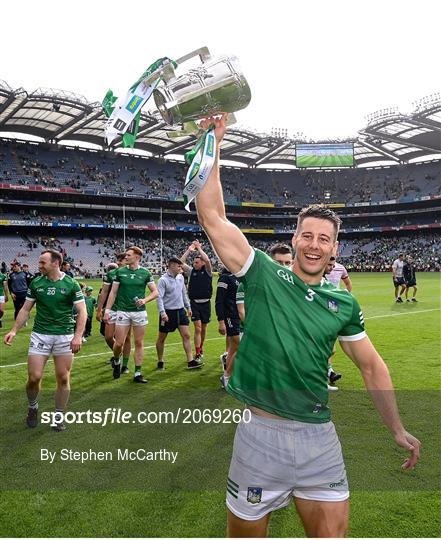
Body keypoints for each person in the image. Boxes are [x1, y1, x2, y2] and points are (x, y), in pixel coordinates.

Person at [195, 114, 420, 538]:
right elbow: (212, 216)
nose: (314, 244)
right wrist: (214, 143)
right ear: (294, 238)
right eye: (307, 235)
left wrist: (397, 428)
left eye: (324, 239)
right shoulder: (262, 273)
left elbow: (372, 367)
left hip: (319, 438)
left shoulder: (343, 303)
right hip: (259, 437)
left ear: (334, 247)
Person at [3, 249, 87, 432]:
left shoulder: (71, 284)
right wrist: (14, 330)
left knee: (63, 378)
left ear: (55, 263)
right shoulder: (36, 283)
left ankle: (59, 415)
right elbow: (25, 309)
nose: (39, 265)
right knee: (34, 377)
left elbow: (82, 311)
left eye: (43, 263)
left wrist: (78, 335)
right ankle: (33, 407)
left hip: (64, 336)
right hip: (40, 334)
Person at [104, 246, 158, 383]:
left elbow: (155, 292)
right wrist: (107, 311)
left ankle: (138, 373)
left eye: (128, 255)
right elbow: (113, 293)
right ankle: (117, 361)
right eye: (126, 255)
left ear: (137, 257)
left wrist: (144, 300)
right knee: (119, 343)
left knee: (139, 342)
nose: (125, 257)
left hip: (139, 312)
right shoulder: (119, 272)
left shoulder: (145, 273)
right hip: (123, 311)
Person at [156, 257, 202, 370]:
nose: (180, 268)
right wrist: (162, 313)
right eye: (178, 266)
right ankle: (160, 361)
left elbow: (183, 294)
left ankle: (190, 361)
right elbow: (159, 298)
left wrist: (188, 307)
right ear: (171, 266)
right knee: (162, 338)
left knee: (186, 335)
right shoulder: (163, 280)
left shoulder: (181, 278)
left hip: (180, 311)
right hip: (168, 312)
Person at [96, 255, 132, 371]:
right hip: (112, 309)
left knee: (127, 338)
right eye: (118, 260)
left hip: (126, 309)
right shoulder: (111, 274)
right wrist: (99, 309)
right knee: (108, 337)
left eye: (121, 260)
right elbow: (104, 292)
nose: (119, 262)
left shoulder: (132, 274)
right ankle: (117, 355)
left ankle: (125, 366)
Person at [324, 256, 353, 390]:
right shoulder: (317, 273)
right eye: (329, 265)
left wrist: (343, 298)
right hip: (322, 305)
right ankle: (326, 375)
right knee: (328, 348)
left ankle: (328, 374)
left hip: (333, 305)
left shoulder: (340, 268)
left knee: (330, 347)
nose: (332, 268)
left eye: (333, 265)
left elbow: (348, 284)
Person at [181, 240, 213, 361]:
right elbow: (180, 263)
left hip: (206, 303)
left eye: (197, 262)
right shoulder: (191, 271)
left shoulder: (208, 272)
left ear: (202, 263)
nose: (194, 264)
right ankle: (198, 352)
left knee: (203, 328)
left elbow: (208, 260)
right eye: (194, 262)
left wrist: (199, 249)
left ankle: (201, 347)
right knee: (198, 328)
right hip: (194, 303)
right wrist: (189, 250)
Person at [216, 266, 240, 389]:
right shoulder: (225, 278)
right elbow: (219, 300)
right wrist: (221, 321)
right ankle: (227, 376)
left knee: (234, 347)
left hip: (242, 316)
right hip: (231, 316)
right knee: (239, 346)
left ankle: (229, 374)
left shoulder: (241, 276)